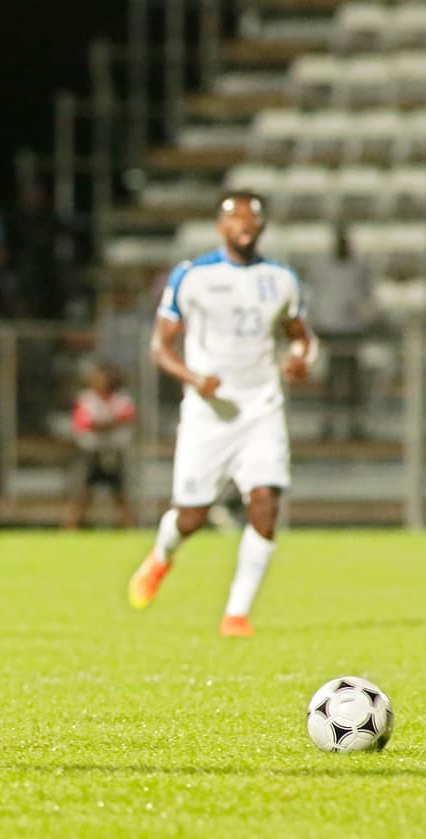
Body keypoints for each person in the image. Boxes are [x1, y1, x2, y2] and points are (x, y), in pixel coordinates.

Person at [127, 191, 314, 637]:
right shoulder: (193, 275)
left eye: (253, 219)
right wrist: (194, 378)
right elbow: (160, 347)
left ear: (262, 227)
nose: (245, 226)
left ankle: (236, 613)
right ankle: (160, 558)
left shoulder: (280, 278)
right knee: (191, 516)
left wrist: (301, 358)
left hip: (262, 408)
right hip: (209, 415)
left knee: (265, 504)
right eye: (236, 219)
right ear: (220, 226)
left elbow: (302, 336)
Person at [302, 226, 376, 439]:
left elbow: (368, 297)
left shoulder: (359, 269)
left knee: (353, 380)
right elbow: (315, 297)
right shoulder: (323, 268)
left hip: (352, 330)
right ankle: (328, 425)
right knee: (332, 379)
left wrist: (363, 317)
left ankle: (356, 426)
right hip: (331, 329)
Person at [63, 363, 136, 529]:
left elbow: (126, 417)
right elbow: (83, 422)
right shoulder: (86, 398)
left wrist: (101, 425)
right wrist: (108, 424)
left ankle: (130, 528)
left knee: (121, 494)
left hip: (114, 451)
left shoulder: (122, 399)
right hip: (90, 452)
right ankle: (70, 528)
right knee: (81, 493)